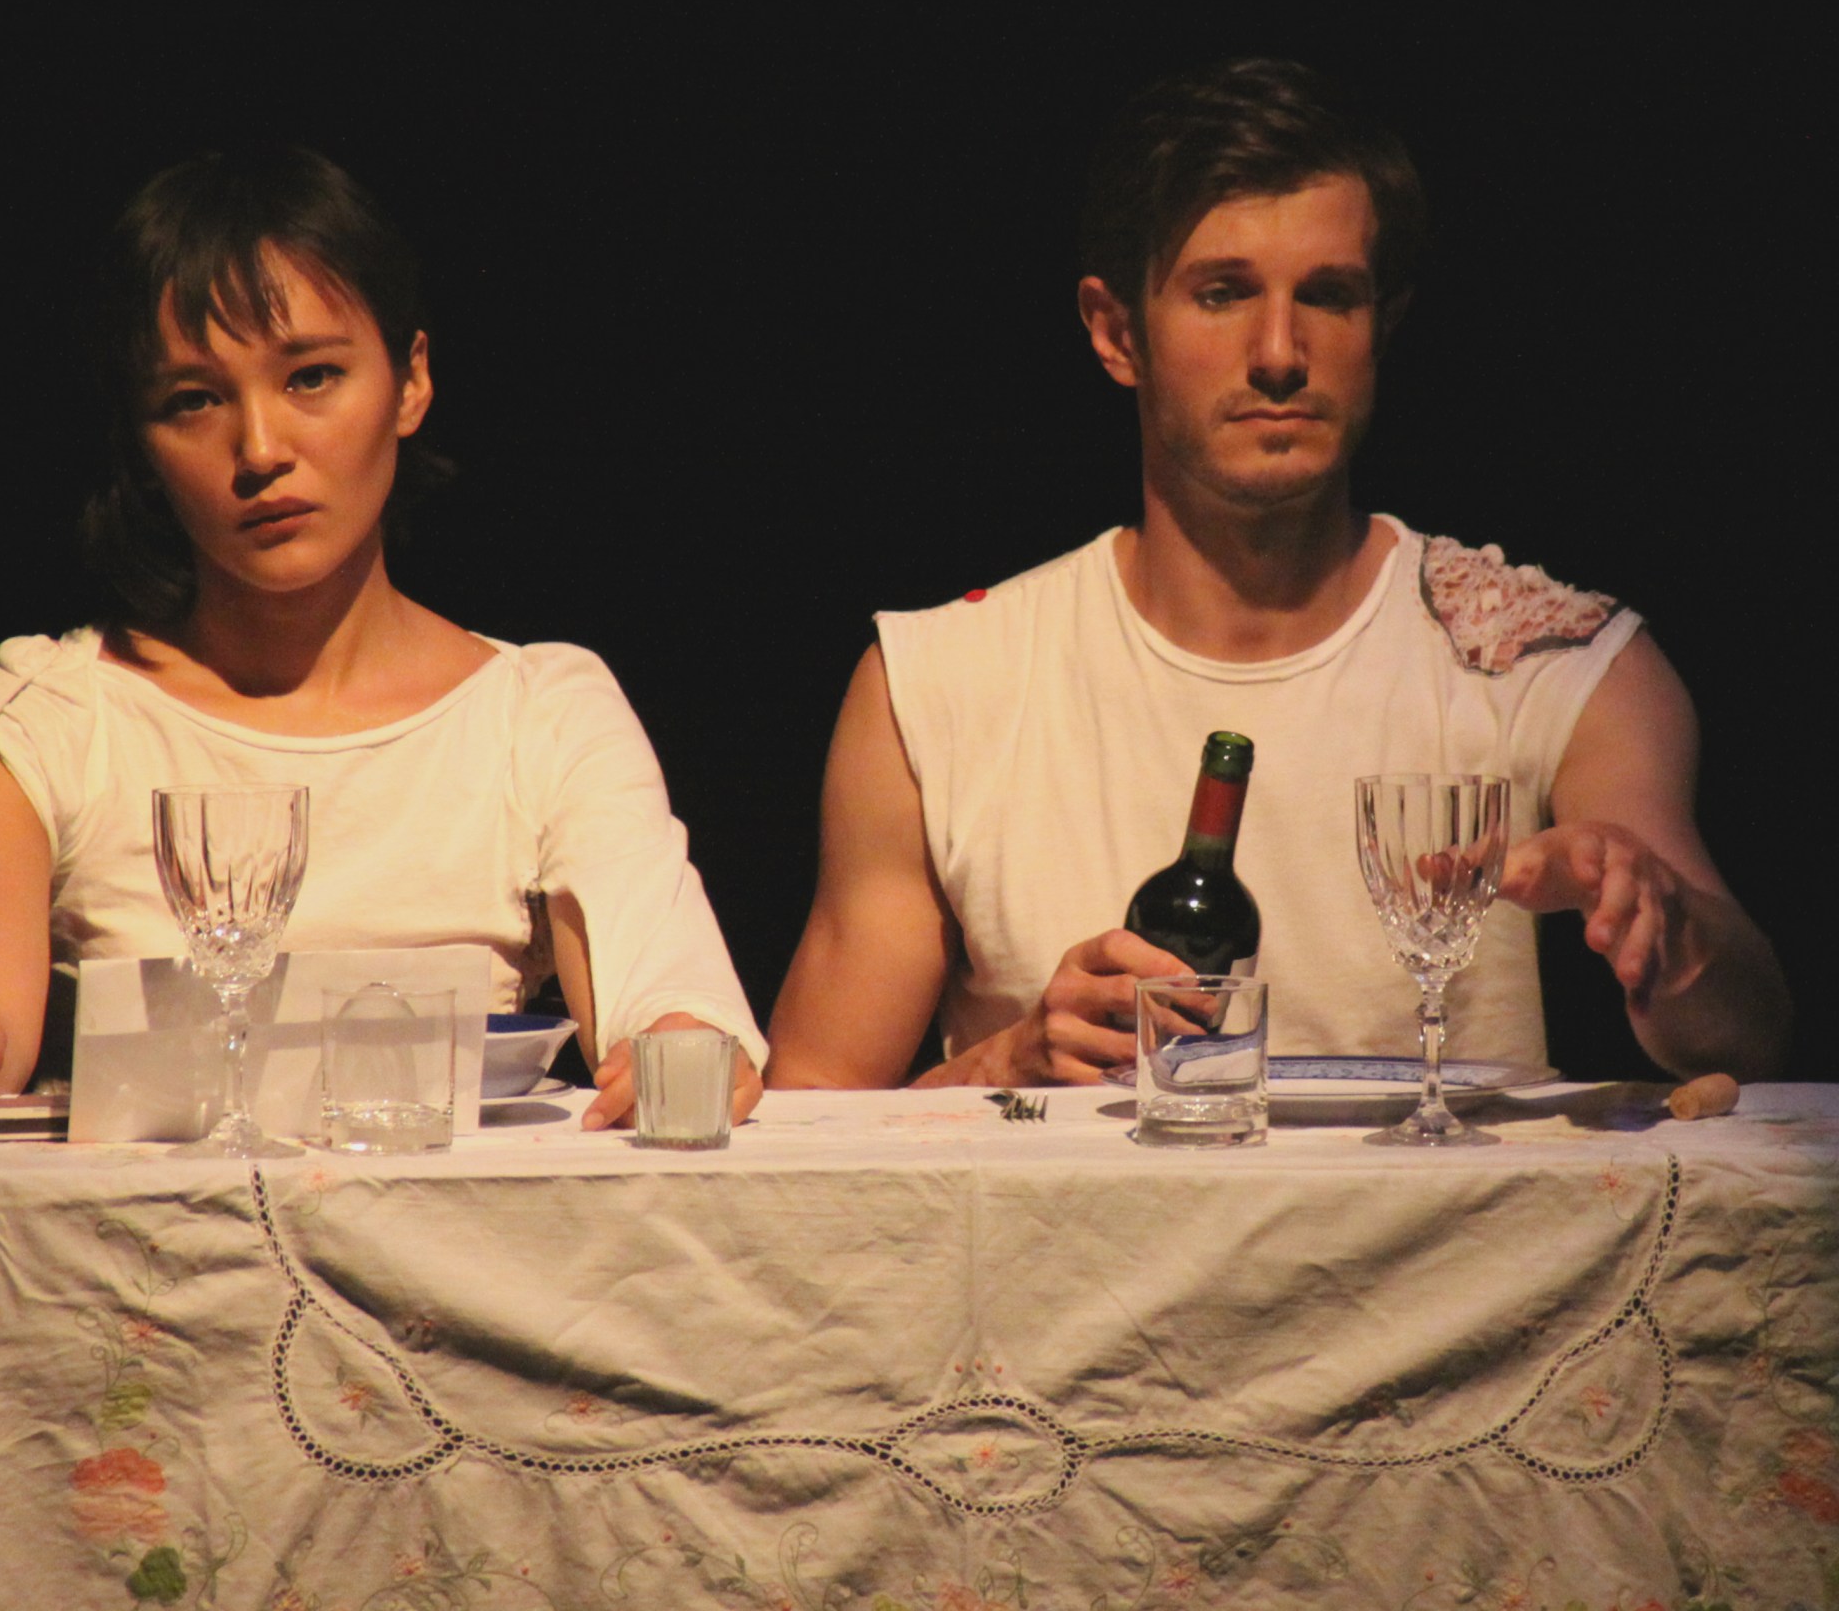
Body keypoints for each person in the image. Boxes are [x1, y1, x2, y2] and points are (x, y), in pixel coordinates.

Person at [766, 58, 1790, 1090]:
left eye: (1328, 297)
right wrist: (1006, 1065)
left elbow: (1746, 1043)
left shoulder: (1547, 659)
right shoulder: (941, 687)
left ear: (1382, 323)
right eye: (1222, 294)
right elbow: (807, 1126)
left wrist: (1664, 928)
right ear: (1116, 332)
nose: (1278, 353)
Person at [0, 146, 764, 1131]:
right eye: (194, 400)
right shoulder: (43, 726)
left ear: (410, 380)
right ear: (140, 442)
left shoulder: (538, 713)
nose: (260, 449)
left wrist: (684, 1043)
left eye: (312, 377)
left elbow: (675, 1012)